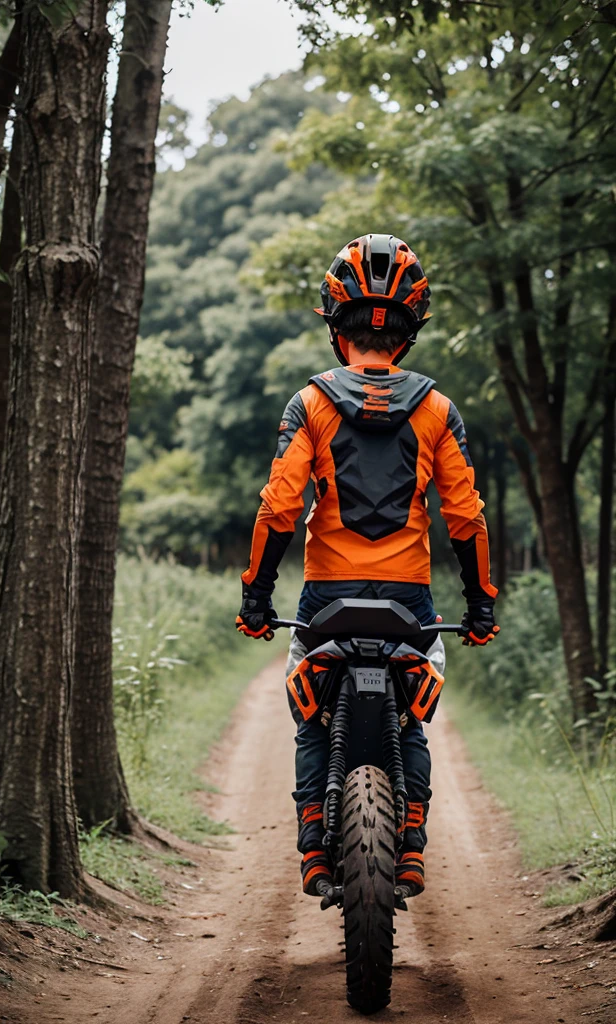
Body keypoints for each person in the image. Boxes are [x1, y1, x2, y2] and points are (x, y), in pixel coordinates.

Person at [236, 233, 499, 902]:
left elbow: (279, 509)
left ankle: (312, 850)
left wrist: (257, 597)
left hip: (327, 599)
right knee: (410, 720)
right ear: (409, 327)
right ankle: (409, 850)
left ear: (334, 321)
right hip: (410, 603)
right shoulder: (439, 410)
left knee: (308, 717)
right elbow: (465, 516)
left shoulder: (312, 404)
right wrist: (481, 604)